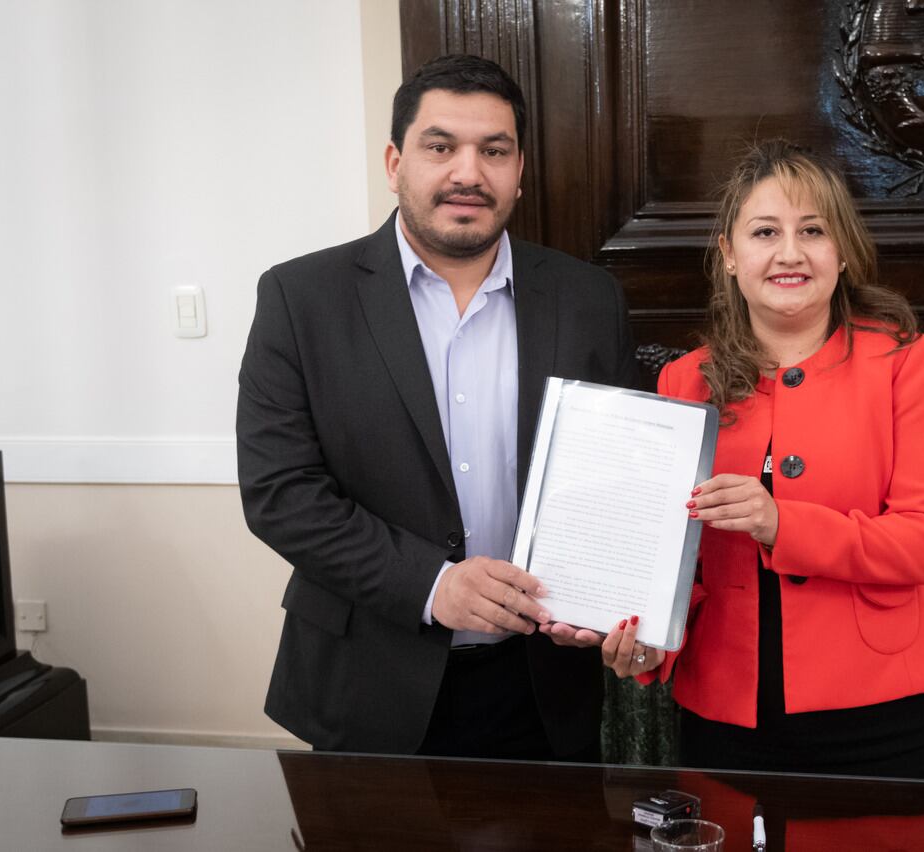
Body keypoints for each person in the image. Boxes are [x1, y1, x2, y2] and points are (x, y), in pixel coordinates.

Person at [237, 54, 636, 760]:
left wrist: (618, 599)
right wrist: (431, 584)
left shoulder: (587, 299)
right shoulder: (302, 299)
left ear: (520, 170)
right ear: (395, 162)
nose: (468, 173)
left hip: (544, 685)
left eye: (494, 150)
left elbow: (621, 481)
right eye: (440, 146)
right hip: (367, 680)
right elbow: (281, 494)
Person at [602, 140, 924, 778]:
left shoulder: (907, 361)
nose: (790, 253)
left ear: (842, 252)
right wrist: (645, 639)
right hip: (725, 708)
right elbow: (664, 558)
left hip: (882, 709)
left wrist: (780, 523)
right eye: (765, 231)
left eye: (813, 231)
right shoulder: (685, 380)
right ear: (730, 256)